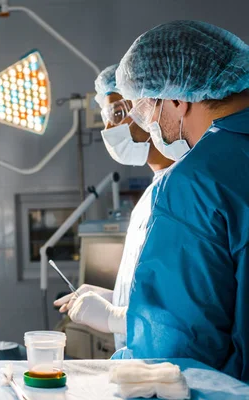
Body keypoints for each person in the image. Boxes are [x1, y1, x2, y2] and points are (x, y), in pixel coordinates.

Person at [113, 20, 249, 381]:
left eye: (146, 108)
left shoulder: (196, 182)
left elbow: (172, 356)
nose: (150, 124)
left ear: (176, 98)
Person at [53, 64, 173, 351]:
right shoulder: (152, 195)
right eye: (107, 117)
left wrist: (112, 316)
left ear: (150, 107)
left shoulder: (179, 194)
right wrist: (113, 299)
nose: (109, 129)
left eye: (118, 113)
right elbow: (155, 294)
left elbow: (183, 313)